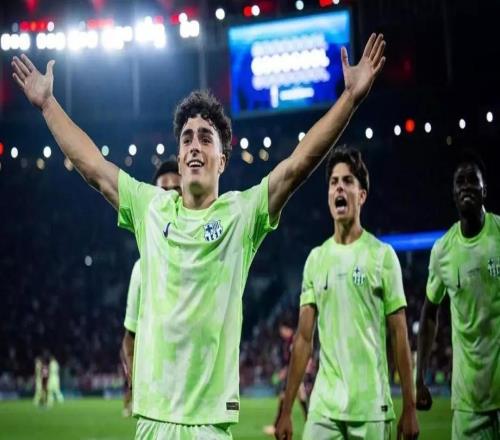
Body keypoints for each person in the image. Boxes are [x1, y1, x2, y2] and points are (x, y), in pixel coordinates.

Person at [12, 32, 385, 439]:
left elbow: (297, 165)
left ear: (222, 160)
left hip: (209, 424)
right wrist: (48, 104)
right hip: (153, 422)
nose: (193, 145)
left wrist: (349, 99)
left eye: (206, 138)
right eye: (186, 138)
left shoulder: (242, 214)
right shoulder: (151, 207)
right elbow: (94, 167)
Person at [275, 147, 419, 440]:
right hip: (324, 409)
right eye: (333, 182)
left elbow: (399, 334)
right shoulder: (316, 259)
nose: (339, 187)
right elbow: (303, 339)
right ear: (329, 195)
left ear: (361, 195)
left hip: (371, 408)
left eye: (348, 180)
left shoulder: (382, 256)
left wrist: (410, 406)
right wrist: (286, 409)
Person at [416, 151, 500, 439]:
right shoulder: (443, 250)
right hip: (468, 404)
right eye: (459, 182)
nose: (466, 186)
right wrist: (419, 377)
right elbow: (429, 312)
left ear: (484, 189)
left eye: (472, 180)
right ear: (453, 194)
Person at [120, 159, 181, 417]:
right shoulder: (141, 268)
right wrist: (136, 384)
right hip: (158, 407)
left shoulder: (210, 252)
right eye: (162, 191)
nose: (169, 197)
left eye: (176, 190)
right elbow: (129, 338)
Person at [263, 318, 309, 436]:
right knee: (297, 398)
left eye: (282, 329)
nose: (281, 332)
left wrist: (285, 372)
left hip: (294, 375)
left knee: (288, 397)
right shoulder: (288, 342)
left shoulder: (293, 341)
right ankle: (309, 423)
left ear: (287, 329)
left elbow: (295, 360)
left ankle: (276, 426)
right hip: (293, 374)